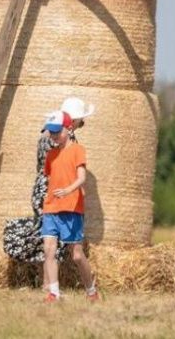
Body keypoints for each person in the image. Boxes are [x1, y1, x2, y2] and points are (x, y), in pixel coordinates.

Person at [40, 109, 98, 302]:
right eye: (51, 132)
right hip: (51, 208)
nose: (54, 136)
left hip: (72, 209)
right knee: (49, 249)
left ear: (69, 127)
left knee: (76, 255)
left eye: (57, 131)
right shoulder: (51, 155)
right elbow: (51, 177)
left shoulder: (78, 150)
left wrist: (67, 190)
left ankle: (91, 290)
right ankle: (54, 292)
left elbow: (81, 178)